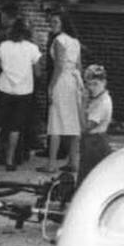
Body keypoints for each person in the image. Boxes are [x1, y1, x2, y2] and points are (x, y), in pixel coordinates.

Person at [0, 19, 42, 171]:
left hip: (3, 88)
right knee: (15, 126)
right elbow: (38, 72)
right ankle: (10, 160)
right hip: (23, 91)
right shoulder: (32, 48)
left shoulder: (4, 46)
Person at [43, 11, 84, 174]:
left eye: (55, 22)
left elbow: (59, 65)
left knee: (56, 121)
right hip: (74, 80)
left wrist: (51, 86)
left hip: (62, 80)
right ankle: (74, 161)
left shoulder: (59, 40)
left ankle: (51, 163)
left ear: (63, 24)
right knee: (73, 122)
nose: (52, 25)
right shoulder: (75, 41)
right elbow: (79, 65)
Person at [78, 63, 113, 184]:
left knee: (87, 180)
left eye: (95, 84)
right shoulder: (97, 99)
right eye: (89, 84)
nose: (92, 88)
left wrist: (82, 104)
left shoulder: (102, 103)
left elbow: (85, 127)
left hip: (95, 143)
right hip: (91, 142)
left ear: (104, 83)